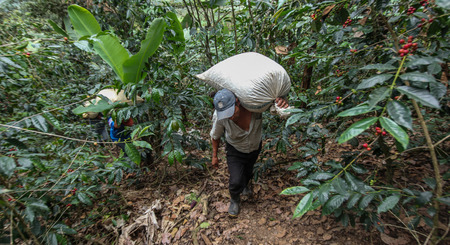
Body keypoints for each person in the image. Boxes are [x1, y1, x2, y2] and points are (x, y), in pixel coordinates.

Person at [210, 89, 289, 217]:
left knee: (248, 169)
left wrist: (281, 102)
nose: (229, 116)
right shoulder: (219, 117)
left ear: (237, 103)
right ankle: (235, 199)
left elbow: (274, 107)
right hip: (234, 149)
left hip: (254, 146)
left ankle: (246, 184)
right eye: (226, 114)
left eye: (231, 112)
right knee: (235, 180)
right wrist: (214, 156)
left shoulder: (254, 105)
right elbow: (215, 135)